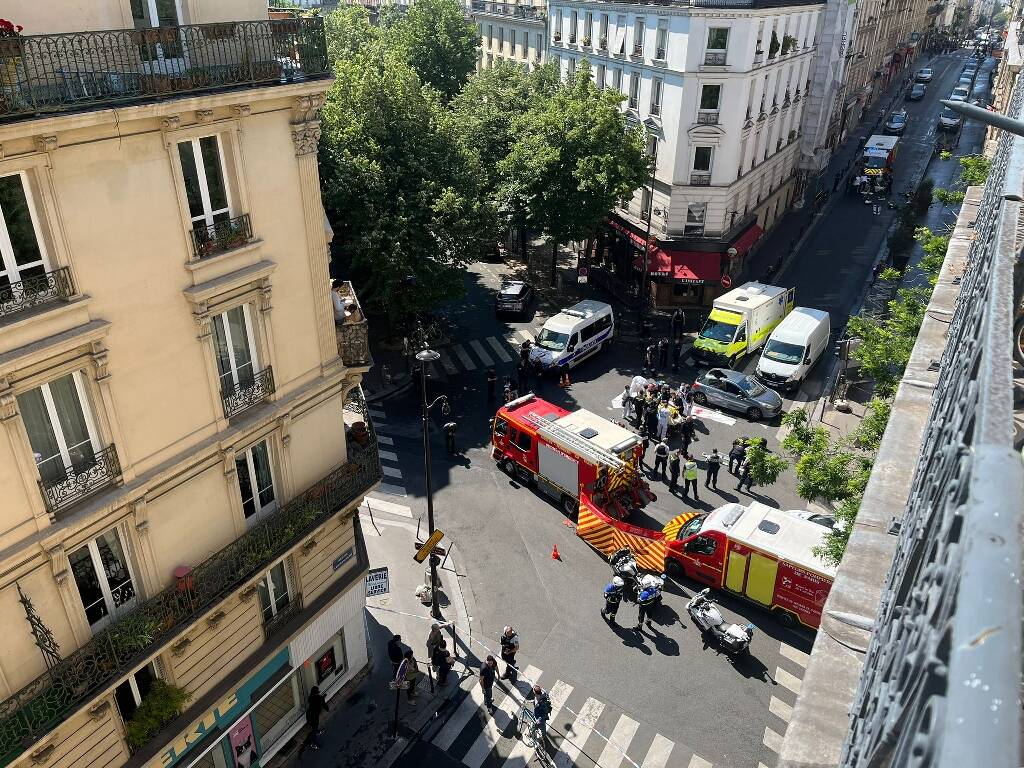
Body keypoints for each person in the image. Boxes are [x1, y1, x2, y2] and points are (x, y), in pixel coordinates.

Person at [297, 685, 329, 755]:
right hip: (314, 716)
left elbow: (315, 701)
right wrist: (323, 699)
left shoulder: (310, 697)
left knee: (314, 727)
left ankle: (316, 732)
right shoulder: (320, 698)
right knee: (314, 729)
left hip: (309, 715)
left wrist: (321, 698)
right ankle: (312, 742)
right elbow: (325, 706)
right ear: (317, 692)